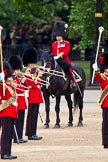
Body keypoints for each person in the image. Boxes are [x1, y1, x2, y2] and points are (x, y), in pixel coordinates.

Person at [22, 47, 43, 140]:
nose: (35, 65)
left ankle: (32, 132)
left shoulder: (32, 71)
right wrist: (38, 76)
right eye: (33, 63)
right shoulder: (28, 72)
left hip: (36, 95)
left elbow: (38, 82)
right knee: (32, 116)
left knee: (34, 116)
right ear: (29, 64)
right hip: (32, 95)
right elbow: (34, 84)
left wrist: (38, 74)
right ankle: (31, 134)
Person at [9, 55, 28, 144]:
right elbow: (19, 89)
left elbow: (25, 88)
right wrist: (23, 82)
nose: (19, 71)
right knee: (18, 121)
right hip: (17, 101)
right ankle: (17, 137)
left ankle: (19, 136)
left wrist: (23, 81)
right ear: (14, 70)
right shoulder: (13, 79)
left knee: (21, 120)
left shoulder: (17, 78)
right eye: (17, 70)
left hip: (21, 101)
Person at [0, 62, 18, 159]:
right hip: (5, 111)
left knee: (9, 134)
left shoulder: (10, 86)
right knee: (5, 133)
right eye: (9, 76)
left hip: (11, 112)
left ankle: (8, 152)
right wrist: (0, 77)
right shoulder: (1, 86)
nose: (11, 78)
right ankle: (3, 153)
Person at [51, 21, 76, 89]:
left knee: (68, 68)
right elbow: (53, 52)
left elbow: (66, 51)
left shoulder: (66, 43)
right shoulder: (54, 44)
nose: (58, 37)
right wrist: (53, 56)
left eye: (59, 36)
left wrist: (60, 55)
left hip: (63, 59)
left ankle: (72, 81)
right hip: (55, 59)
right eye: (57, 36)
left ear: (62, 36)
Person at [93, 53, 108, 149]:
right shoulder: (103, 76)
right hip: (106, 102)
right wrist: (96, 69)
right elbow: (97, 77)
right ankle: (106, 142)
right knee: (106, 123)